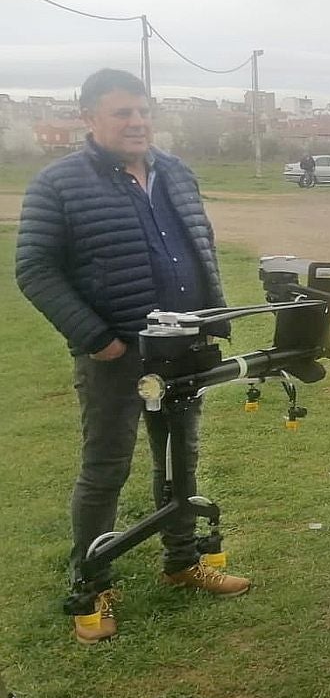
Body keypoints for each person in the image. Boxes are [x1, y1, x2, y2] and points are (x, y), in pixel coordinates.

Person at [15, 68, 250, 646]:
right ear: (89, 119)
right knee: (106, 468)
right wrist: (99, 339)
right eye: (122, 112)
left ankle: (182, 560)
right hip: (115, 356)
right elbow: (35, 269)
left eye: (143, 111)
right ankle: (92, 584)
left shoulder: (175, 172)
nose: (137, 121)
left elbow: (201, 247)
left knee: (179, 460)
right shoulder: (58, 184)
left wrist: (211, 317)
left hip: (184, 347)